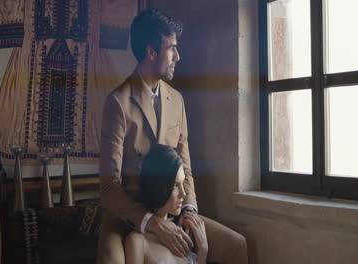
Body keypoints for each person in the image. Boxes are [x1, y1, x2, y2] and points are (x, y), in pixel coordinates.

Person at [97, 8, 248, 264]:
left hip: (173, 209)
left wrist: (189, 211)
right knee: (114, 260)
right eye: (172, 48)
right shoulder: (118, 103)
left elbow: (185, 168)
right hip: (127, 215)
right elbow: (109, 187)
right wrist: (153, 223)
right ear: (151, 52)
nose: (178, 56)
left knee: (237, 245)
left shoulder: (176, 100)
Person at [125, 144, 208, 264]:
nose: (183, 194)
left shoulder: (185, 234)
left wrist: (203, 251)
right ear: (158, 187)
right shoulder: (137, 242)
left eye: (182, 183)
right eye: (175, 185)